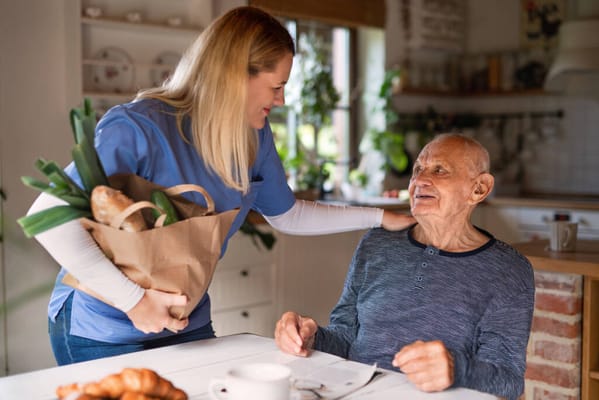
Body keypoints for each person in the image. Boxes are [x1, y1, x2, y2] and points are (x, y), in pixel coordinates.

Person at [26, 6, 414, 365]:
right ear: (234, 75)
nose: (280, 100)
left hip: (185, 320)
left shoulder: (253, 138)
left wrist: (381, 217)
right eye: (275, 86)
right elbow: (49, 220)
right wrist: (135, 301)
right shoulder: (140, 128)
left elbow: (287, 214)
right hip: (103, 325)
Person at [274, 133, 535, 400]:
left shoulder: (508, 269)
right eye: (417, 170)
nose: (420, 180)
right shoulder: (377, 242)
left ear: (478, 189)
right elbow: (346, 336)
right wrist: (312, 337)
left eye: (439, 170)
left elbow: (508, 380)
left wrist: (457, 369)